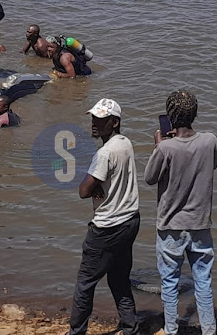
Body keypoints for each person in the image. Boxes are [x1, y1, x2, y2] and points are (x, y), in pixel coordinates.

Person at [144, 90, 217, 335]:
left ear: (171, 118)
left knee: (169, 283)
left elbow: (149, 178)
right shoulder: (210, 141)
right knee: (203, 283)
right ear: (194, 114)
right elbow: (213, 164)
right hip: (200, 225)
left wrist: (159, 146)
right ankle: (209, 330)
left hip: (171, 227)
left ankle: (171, 329)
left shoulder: (166, 148)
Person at [67, 99, 140, 335]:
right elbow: (114, 179)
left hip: (107, 227)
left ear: (114, 122)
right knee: (119, 279)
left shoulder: (104, 153)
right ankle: (130, 327)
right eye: (93, 118)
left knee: (85, 283)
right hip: (130, 220)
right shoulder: (125, 143)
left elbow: (83, 191)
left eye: (100, 119)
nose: (94, 123)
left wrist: (93, 184)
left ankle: (76, 331)